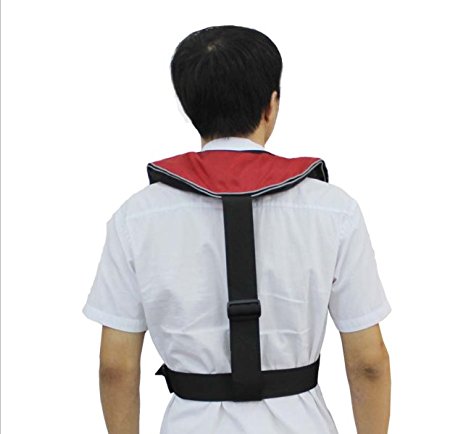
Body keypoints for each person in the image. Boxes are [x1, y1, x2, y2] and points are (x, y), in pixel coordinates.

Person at [82, 24, 392, 434]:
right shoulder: (333, 209)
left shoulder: (135, 217)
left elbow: (115, 367)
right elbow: (368, 362)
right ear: (271, 106)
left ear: (189, 106)